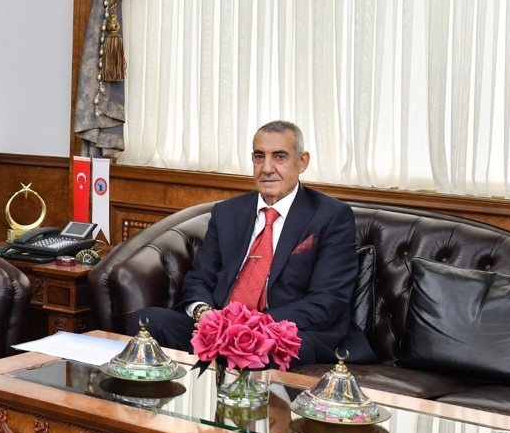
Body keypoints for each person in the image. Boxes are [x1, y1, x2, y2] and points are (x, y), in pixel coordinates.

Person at [129, 120, 373, 366]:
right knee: (146, 323)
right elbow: (200, 278)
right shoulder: (228, 213)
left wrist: (252, 326)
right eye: (259, 157)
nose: (267, 168)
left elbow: (327, 300)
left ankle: (230, 360)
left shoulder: (331, 216)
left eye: (279, 157)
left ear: (302, 162)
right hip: (220, 326)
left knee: (261, 352)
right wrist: (204, 314)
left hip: (285, 330)